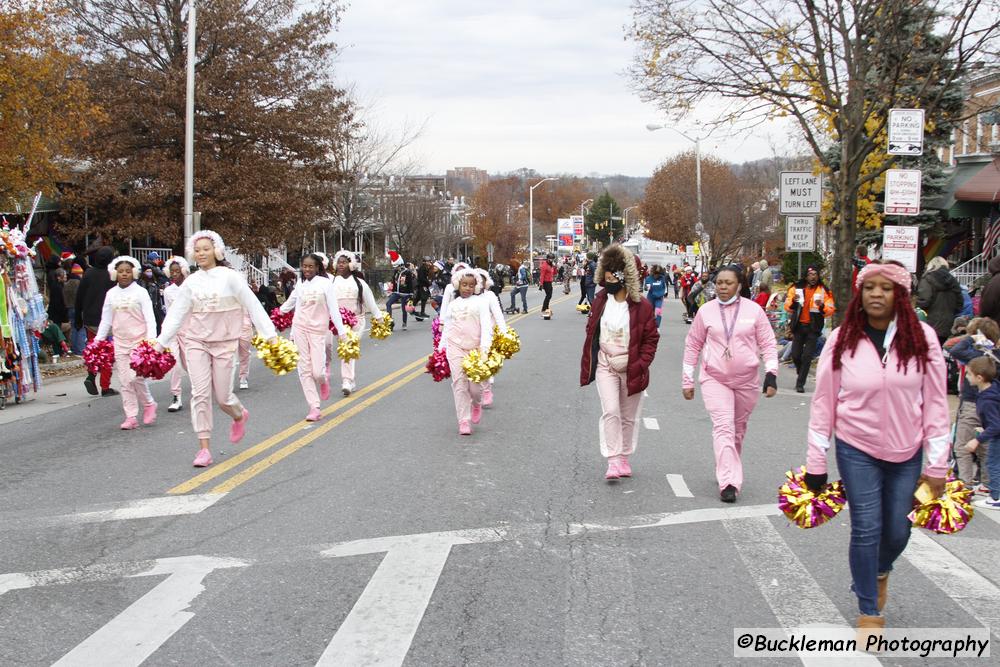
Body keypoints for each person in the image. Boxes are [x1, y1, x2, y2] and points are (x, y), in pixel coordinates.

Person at [803, 260, 949, 636]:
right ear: (860, 293)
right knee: (866, 528)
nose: (876, 294)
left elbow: (935, 404)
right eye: (869, 288)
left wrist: (937, 465)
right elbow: (823, 404)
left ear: (900, 295)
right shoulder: (842, 339)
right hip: (857, 446)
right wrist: (815, 460)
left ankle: (879, 568)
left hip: (907, 449)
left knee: (898, 531)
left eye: (886, 288)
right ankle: (869, 611)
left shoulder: (923, 338)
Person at [155, 230, 278, 467]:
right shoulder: (191, 282)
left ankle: (238, 414)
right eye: (197, 250)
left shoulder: (230, 277)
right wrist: (160, 344)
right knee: (200, 394)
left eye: (206, 249)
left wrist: (270, 335)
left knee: (222, 397)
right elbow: (176, 315)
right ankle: (204, 448)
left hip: (224, 343)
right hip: (196, 343)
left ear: (217, 251)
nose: (201, 253)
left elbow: (253, 305)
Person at [682, 266, 777, 502]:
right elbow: (693, 345)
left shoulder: (754, 311)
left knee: (737, 430)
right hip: (715, 378)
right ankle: (729, 482)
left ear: (740, 285)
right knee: (723, 426)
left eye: (728, 283)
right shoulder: (706, 311)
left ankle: (726, 466)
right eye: (719, 283)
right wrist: (687, 379)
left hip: (746, 380)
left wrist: (772, 373)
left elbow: (768, 344)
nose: (723, 287)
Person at [580, 245, 659, 480]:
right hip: (605, 363)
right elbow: (591, 329)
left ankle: (624, 456)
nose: (609, 275)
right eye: (607, 270)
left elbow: (651, 340)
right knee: (611, 410)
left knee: (628, 415)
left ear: (628, 274)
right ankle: (613, 459)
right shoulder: (600, 300)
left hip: (631, 366)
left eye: (615, 270)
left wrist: (636, 362)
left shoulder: (642, 306)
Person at [279, 253, 346, 421]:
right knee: (304, 369)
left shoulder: (325, 284)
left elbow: (333, 309)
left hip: (318, 331)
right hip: (300, 328)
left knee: (317, 372)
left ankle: (323, 381)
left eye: (310, 266)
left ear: (317, 267)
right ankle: (314, 407)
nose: (307, 269)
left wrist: (342, 332)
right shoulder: (300, 284)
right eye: (304, 266)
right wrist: (275, 316)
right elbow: (290, 304)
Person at [96, 256, 158, 430]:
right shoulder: (111, 294)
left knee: (136, 377)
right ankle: (130, 416)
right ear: (114, 273)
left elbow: (150, 318)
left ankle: (149, 404)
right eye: (121, 271)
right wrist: (97, 341)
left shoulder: (140, 292)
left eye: (128, 271)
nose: (124, 274)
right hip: (120, 342)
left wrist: (151, 341)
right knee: (125, 381)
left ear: (134, 273)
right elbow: (106, 320)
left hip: (139, 342)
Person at [948, 317, 999, 491]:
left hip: (971, 403)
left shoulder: (977, 357)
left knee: (962, 446)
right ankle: (988, 484)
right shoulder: (996, 357)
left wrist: (971, 338)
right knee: (985, 446)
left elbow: (953, 349)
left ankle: (964, 483)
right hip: (991, 405)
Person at [442, 268, 492, 435]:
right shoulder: (453, 305)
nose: (467, 288)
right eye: (464, 285)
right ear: (458, 285)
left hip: (476, 349)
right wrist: (441, 348)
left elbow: (486, 326)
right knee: (459, 384)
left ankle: (476, 404)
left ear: (476, 287)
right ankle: (463, 420)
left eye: (471, 285)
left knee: (475, 388)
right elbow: (447, 327)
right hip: (455, 347)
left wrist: (484, 348)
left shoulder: (481, 303)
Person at [331, 249, 384, 396]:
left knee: (349, 345)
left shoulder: (359, 283)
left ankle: (347, 380)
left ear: (351, 264)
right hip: (340, 323)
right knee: (345, 347)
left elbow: (370, 301)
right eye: (339, 262)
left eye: (344, 262)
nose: (341, 265)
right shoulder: (332, 282)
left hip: (357, 321)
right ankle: (350, 380)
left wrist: (378, 317)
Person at [784, 266, 835, 393]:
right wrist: (794, 302)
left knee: (807, 356)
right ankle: (800, 371)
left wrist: (822, 306)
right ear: (806, 276)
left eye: (815, 274)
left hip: (813, 327)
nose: (813, 277)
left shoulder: (824, 290)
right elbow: (788, 307)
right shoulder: (796, 288)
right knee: (796, 355)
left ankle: (800, 383)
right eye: (810, 274)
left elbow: (830, 309)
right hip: (799, 326)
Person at [76, 246, 118, 397]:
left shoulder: (88, 274)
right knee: (107, 353)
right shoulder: (112, 276)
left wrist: (78, 319)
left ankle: (91, 375)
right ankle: (105, 386)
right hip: (108, 321)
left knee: (94, 350)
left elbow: (79, 297)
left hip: (90, 321)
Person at [964, 355, 1000, 511]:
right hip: (995, 433)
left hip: (998, 437)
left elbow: (996, 425)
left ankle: (996, 497)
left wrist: (977, 440)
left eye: (968, 374)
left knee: (993, 464)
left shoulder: (987, 400)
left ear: (979, 378)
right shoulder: (993, 389)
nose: (966, 377)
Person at [475, 268, 507, 407]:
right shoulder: (469, 297)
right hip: (471, 335)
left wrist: (503, 331)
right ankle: (476, 394)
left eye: (482, 280)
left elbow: (498, 314)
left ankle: (486, 389)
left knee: (485, 359)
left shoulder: (490, 296)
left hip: (488, 333)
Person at [163, 256, 190, 413]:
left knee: (190, 365)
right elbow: (168, 312)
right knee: (175, 364)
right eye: (172, 271)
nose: (174, 274)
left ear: (183, 271)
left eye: (177, 271)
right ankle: (176, 396)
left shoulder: (190, 288)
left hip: (188, 331)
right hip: (172, 331)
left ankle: (203, 389)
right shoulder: (168, 291)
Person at [916, 256, 963, 345]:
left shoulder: (927, 279)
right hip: (947, 324)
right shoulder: (953, 281)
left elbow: (924, 301)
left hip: (930, 322)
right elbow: (960, 303)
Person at [385, 255, 416, 330]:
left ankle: (404, 323)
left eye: (397, 266)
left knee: (403, 308)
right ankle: (390, 322)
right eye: (395, 267)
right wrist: (391, 289)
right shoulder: (396, 271)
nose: (396, 268)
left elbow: (410, 284)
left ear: (401, 265)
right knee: (388, 303)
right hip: (396, 292)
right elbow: (393, 281)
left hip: (405, 294)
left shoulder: (407, 272)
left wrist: (411, 295)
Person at [63, 264, 87, 354]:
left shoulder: (66, 284)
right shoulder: (80, 283)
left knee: (73, 328)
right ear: (79, 274)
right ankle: (80, 350)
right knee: (81, 328)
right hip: (79, 308)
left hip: (69, 308)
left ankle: (74, 348)